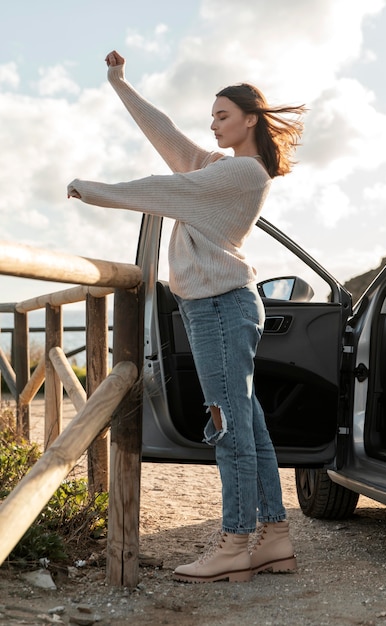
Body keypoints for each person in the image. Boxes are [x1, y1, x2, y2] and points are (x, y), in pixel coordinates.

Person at [68, 50, 306, 584]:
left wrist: (96, 191)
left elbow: (167, 187)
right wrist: (119, 84)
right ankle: (274, 536)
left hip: (220, 306)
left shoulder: (243, 172)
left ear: (250, 119)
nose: (214, 123)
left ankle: (234, 542)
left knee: (228, 425)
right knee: (248, 423)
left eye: (223, 115)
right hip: (224, 304)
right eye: (212, 116)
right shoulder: (225, 168)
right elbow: (169, 138)